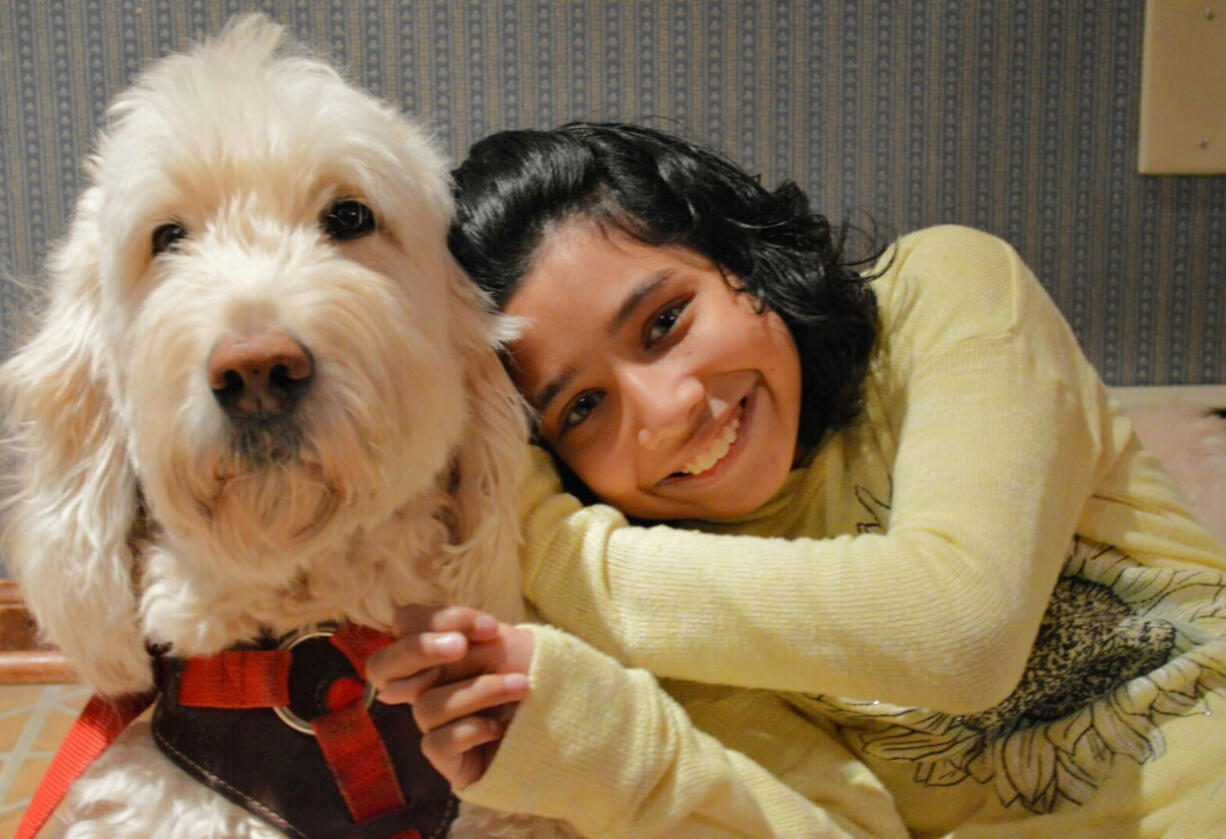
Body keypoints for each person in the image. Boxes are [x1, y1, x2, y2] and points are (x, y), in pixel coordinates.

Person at [367, 122, 1226, 838]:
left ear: (739, 260)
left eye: (666, 321)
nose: (666, 411)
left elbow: (964, 629)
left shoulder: (947, 292)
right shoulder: (674, 603)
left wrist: (562, 557)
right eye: (583, 407)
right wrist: (602, 743)